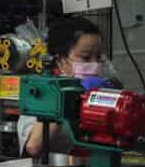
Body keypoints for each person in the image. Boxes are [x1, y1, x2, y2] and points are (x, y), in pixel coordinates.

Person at [17, 16, 116, 157]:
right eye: (86, 58)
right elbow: (34, 146)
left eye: (98, 57)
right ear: (61, 61)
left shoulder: (96, 90)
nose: (95, 65)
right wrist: (68, 99)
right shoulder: (42, 93)